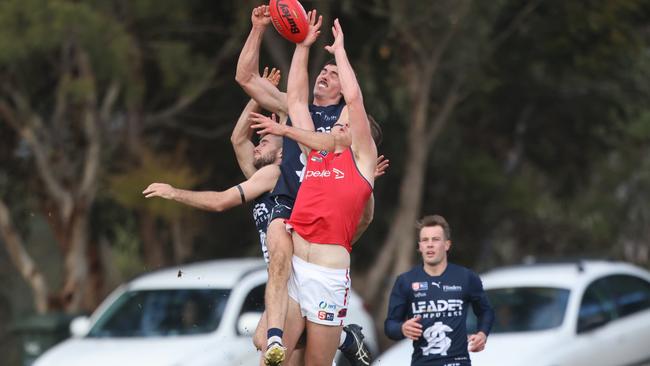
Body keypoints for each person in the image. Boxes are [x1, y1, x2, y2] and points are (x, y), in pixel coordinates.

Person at [236, 5, 384, 366]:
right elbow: (250, 80)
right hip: (295, 222)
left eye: (334, 74)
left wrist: (341, 53)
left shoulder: (350, 138)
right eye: (325, 69)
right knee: (266, 344)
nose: (326, 74)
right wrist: (294, 42)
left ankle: (343, 336)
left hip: (328, 247)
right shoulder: (302, 120)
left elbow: (354, 100)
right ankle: (279, 335)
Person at [384, 215, 495, 366]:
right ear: (420, 247)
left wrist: (482, 333)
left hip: (458, 362)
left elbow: (486, 311)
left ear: (447, 244)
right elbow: (390, 325)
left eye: (435, 239)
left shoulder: (466, 277)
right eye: (425, 240)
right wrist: (402, 328)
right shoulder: (406, 281)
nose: (430, 245)